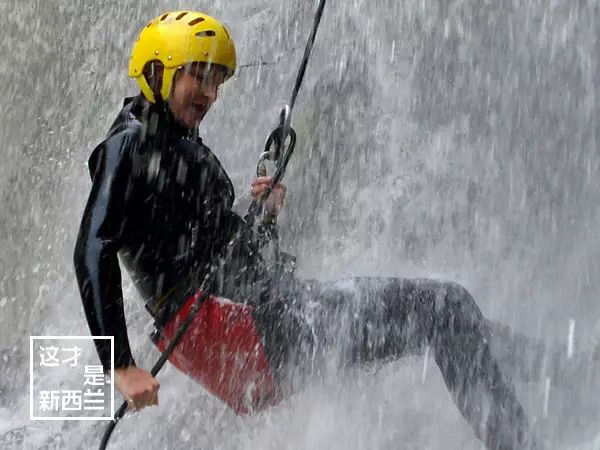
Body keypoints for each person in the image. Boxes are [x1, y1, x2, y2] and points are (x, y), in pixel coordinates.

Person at [73, 10, 597, 450]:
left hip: (248, 326)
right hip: (237, 334)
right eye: (199, 77)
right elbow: (92, 247)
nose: (210, 93)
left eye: (217, 81)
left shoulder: (167, 141)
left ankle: (566, 373)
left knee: (453, 320)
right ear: (158, 71)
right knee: (447, 308)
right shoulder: (130, 143)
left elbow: (215, 252)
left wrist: (265, 217)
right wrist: (118, 362)